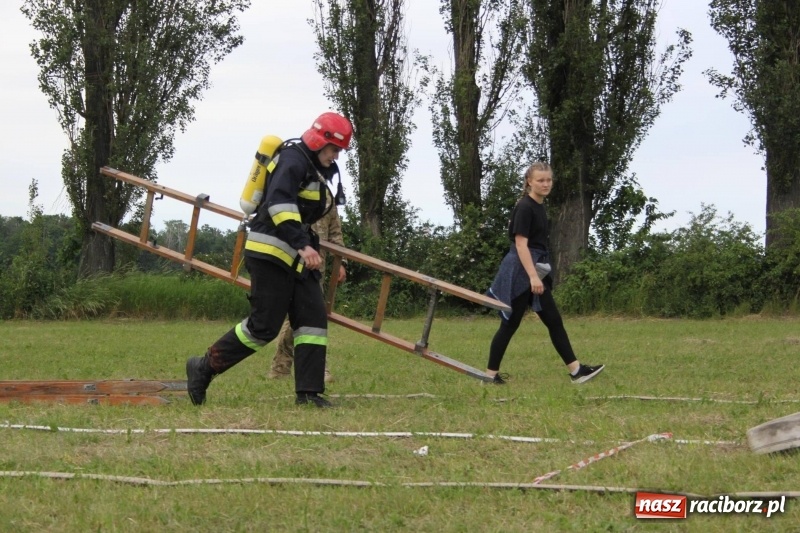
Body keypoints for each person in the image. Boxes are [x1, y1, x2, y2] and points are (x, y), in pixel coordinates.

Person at [186, 111, 353, 408]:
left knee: (313, 321)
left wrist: (305, 246)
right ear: (319, 142)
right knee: (264, 327)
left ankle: (309, 393)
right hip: (271, 254)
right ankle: (204, 367)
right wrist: (304, 244)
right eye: (335, 149)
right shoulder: (293, 160)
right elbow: (279, 203)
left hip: (297, 259)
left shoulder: (314, 167)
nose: (337, 156)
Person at [485, 161, 604, 385]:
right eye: (540, 180)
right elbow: (521, 245)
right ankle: (490, 376)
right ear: (529, 181)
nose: (545, 184)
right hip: (522, 270)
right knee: (511, 324)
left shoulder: (538, 205)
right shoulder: (525, 206)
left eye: (548, 180)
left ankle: (576, 371)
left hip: (533, 266)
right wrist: (532, 277)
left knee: (552, 320)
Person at [268, 196, 346, 383]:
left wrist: (341, 262)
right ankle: (316, 368)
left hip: (317, 268)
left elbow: (335, 233)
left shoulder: (327, 198)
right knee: (308, 314)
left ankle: (281, 366)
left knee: (305, 314)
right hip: (290, 263)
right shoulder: (292, 188)